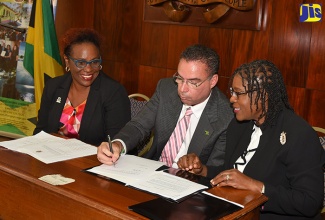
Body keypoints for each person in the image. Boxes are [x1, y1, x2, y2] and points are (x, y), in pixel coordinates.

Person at [177, 60, 325, 219]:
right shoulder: (239, 126)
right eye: (232, 91)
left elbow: (310, 202)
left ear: (264, 95)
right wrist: (202, 170)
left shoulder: (298, 134)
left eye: (238, 93)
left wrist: (257, 187)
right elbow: (231, 173)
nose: (232, 99)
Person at [97, 44, 233, 168]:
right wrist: (118, 144)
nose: (182, 89)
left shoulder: (225, 117)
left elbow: (215, 170)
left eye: (193, 82)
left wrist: (199, 169)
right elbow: (139, 125)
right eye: (179, 78)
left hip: (190, 183)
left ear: (213, 81)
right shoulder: (166, 89)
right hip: (152, 170)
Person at [33, 28, 131, 146]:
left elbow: (115, 144)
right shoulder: (53, 86)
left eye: (94, 62)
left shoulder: (113, 92)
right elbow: (40, 133)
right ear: (67, 61)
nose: (88, 69)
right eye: (81, 63)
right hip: (52, 159)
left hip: (94, 162)